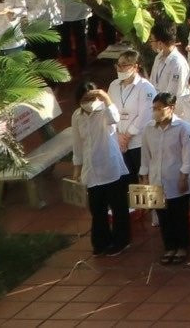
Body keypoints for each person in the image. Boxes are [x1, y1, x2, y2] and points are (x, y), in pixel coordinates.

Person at [73, 85, 129, 255]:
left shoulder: (105, 110)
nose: (89, 103)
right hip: (91, 171)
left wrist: (105, 98)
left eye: (91, 98)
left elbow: (115, 118)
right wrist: (77, 169)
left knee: (118, 207)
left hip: (110, 168)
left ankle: (121, 241)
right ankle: (101, 242)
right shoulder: (77, 116)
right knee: (97, 209)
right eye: (85, 100)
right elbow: (77, 144)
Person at [145, 92, 190, 265]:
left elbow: (188, 156)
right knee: (163, 216)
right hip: (156, 180)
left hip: (176, 179)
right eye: (154, 108)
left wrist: (183, 177)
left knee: (179, 215)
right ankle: (169, 246)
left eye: (160, 108)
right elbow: (146, 156)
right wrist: (145, 178)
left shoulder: (184, 128)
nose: (156, 112)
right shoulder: (149, 128)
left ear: (171, 108)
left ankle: (182, 246)